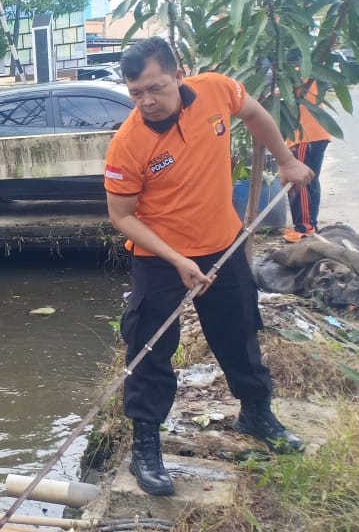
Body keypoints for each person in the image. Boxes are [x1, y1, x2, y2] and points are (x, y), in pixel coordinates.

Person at [104, 37, 314, 497]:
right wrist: (178, 260)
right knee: (149, 348)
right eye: (136, 92)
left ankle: (256, 413)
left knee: (238, 330)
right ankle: (145, 444)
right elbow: (121, 217)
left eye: (156, 88)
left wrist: (285, 160)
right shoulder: (128, 143)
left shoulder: (217, 90)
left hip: (224, 245)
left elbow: (256, 114)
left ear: (179, 74)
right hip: (160, 259)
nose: (147, 102)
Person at [282, 56, 331, 242]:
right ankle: (310, 225)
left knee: (299, 182)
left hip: (304, 135)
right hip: (316, 134)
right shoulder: (307, 71)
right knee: (310, 181)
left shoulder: (293, 75)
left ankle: (304, 228)